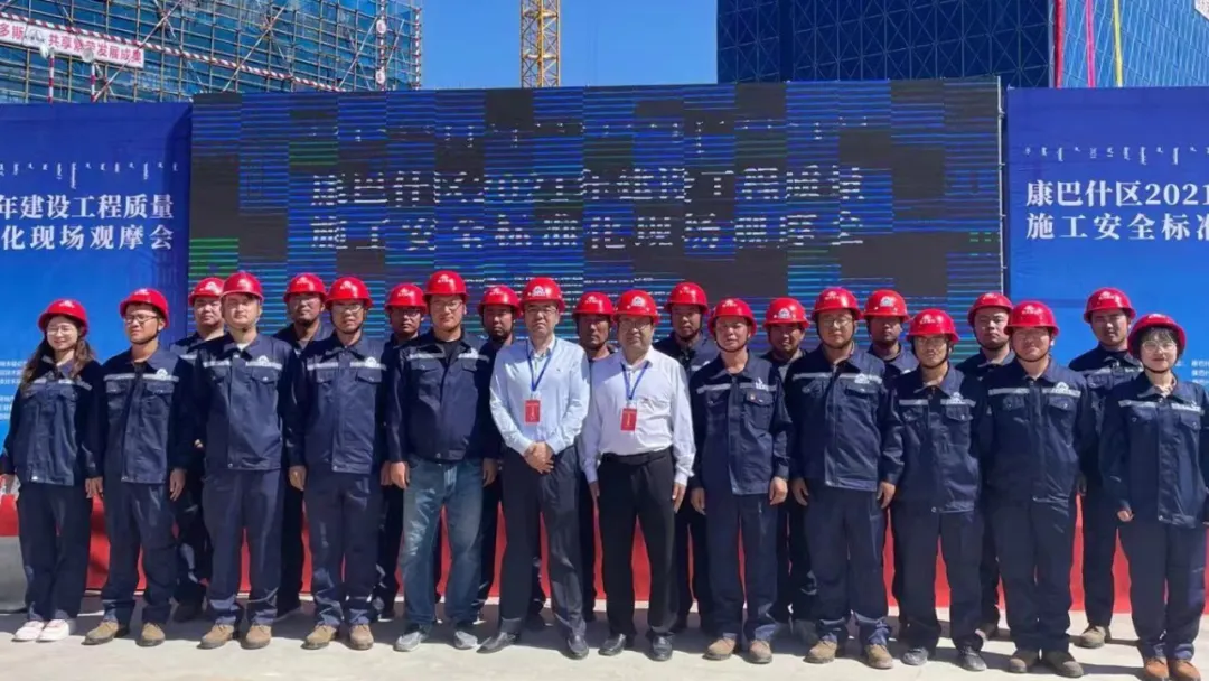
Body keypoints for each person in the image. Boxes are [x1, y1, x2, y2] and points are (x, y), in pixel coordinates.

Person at [786, 286, 901, 670]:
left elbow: (892, 427)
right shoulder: (801, 371)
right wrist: (796, 472)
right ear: (817, 325)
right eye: (827, 319)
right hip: (818, 486)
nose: (835, 326)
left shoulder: (876, 370)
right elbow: (789, 428)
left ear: (855, 323)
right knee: (826, 562)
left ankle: (874, 635)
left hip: (865, 485)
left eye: (842, 319)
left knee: (868, 563)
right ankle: (831, 632)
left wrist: (889, 474)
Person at [979, 301, 1095, 678]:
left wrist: (1076, 476)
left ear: (1052, 338)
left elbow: (1087, 439)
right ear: (1011, 338)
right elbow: (982, 442)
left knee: (1055, 574)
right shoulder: (993, 384)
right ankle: (1026, 644)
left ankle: (1058, 646)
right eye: (1021, 333)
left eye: (1037, 333)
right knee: (1016, 573)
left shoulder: (1075, 384)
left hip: (1057, 497)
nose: (1029, 340)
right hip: (1008, 498)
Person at [386, 269, 496, 653]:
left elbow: (490, 410)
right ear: (428, 309)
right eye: (437, 303)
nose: (445, 310)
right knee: (416, 547)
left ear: (464, 308)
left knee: (467, 546)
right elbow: (396, 412)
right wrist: (396, 458)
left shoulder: (482, 353)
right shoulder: (409, 354)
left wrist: (490, 455)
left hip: (469, 467)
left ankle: (462, 618)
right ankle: (418, 619)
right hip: (422, 467)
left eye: (452, 303)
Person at [480, 277, 591, 659]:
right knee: (519, 546)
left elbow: (579, 407)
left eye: (546, 309)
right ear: (522, 315)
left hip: (559, 460)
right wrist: (526, 447)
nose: (538, 316)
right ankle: (510, 623)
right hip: (519, 460)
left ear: (559, 314)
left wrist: (550, 447)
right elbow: (498, 406)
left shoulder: (574, 356)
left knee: (564, 548)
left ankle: (572, 626)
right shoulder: (507, 356)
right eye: (531, 309)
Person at [582, 289, 694, 662]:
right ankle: (620, 628)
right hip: (613, 470)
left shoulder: (669, 368)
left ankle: (661, 630)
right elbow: (591, 425)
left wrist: (682, 472)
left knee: (664, 554)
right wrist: (590, 472)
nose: (634, 329)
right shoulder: (601, 371)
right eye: (627, 321)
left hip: (657, 467)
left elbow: (682, 422)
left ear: (652, 326)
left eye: (641, 322)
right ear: (617, 326)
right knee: (615, 555)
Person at [192, 271, 298, 650]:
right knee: (223, 544)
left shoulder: (281, 354)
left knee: (265, 544)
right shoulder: (207, 356)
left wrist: (294, 460)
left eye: (246, 302)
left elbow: (292, 412)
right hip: (221, 469)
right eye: (232, 302)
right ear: (222, 309)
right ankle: (223, 615)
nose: (239, 308)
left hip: (266, 467)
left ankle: (262, 616)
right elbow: (195, 409)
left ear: (259, 309)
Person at [1100, 313, 1208, 682]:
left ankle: (1181, 653)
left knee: (1189, 585)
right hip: (1141, 511)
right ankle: (1153, 651)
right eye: (1150, 344)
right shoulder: (1122, 397)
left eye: (1166, 344)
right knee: (1147, 584)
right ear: (1138, 352)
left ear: (1178, 351)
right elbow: (1111, 455)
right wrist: (1120, 499)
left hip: (1190, 509)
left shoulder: (1197, 396)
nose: (1159, 351)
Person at [84, 289, 191, 648]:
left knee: (158, 548)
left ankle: (156, 616)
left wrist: (180, 465)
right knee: (121, 548)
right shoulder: (111, 370)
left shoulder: (178, 369)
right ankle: (115, 615)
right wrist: (94, 469)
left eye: (143, 317)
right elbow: (96, 425)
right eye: (130, 317)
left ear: (161, 323)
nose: (134, 323)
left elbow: (185, 425)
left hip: (157, 476)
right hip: (117, 475)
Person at [288, 277, 388, 651]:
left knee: (362, 545)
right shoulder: (311, 356)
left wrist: (391, 458)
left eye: (355, 305)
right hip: (321, 469)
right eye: (341, 306)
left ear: (365, 311)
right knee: (325, 546)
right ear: (330, 311)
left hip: (365, 470)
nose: (348, 312)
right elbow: (295, 414)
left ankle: (359, 616)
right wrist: (296, 460)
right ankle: (327, 617)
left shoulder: (381, 355)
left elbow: (392, 415)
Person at [688, 298, 789, 664]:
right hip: (717, 486)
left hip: (759, 484)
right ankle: (727, 630)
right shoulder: (703, 379)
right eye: (722, 326)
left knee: (762, 561)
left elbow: (782, 427)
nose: (729, 332)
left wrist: (781, 472)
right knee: (722, 560)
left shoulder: (768, 374)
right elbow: (693, 435)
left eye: (736, 325)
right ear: (713, 333)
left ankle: (761, 633)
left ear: (750, 331)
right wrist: (697, 481)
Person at [890, 309, 987, 671]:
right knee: (916, 575)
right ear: (913, 345)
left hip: (963, 501)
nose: (930, 346)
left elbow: (987, 444)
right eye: (923, 340)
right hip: (914, 500)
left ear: (950, 345)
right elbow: (892, 441)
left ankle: (967, 641)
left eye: (937, 340)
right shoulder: (899, 389)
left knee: (966, 576)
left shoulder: (971, 388)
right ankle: (921, 638)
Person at [0, 299, 102, 644]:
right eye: (52, 327)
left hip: (70, 476)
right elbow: (16, 424)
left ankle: (63, 613)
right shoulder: (33, 373)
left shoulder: (91, 374)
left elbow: (95, 427)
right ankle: (36, 613)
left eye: (65, 327)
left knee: (71, 547)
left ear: (80, 332)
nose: (58, 333)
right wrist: (8, 465)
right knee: (36, 548)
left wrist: (93, 469)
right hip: (32, 476)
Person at [1069, 287, 1141, 650]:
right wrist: (1078, 468)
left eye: (1115, 317)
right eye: (1100, 319)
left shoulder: (1147, 363)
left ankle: (1150, 627)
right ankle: (1098, 622)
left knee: (1145, 555)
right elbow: (1072, 426)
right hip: (1097, 477)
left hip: (1141, 478)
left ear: (1129, 320)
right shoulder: (1078, 369)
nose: (1109, 325)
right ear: (1090, 324)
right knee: (1098, 554)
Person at [654, 280, 717, 636]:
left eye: (691, 312)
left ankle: (710, 612)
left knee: (709, 545)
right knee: (672, 545)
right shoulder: (658, 355)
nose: (685, 319)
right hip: (668, 465)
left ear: (702, 316)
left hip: (707, 465)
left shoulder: (717, 353)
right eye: (678, 313)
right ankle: (676, 611)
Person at [955, 291, 1014, 641]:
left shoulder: (1026, 367)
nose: (990, 327)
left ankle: (1026, 619)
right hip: (974, 476)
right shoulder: (962, 374)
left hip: (1018, 476)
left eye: (997, 320)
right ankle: (985, 614)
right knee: (980, 551)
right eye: (982, 321)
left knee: (1020, 552)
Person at [273, 272, 333, 620]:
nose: (303, 303)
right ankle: (287, 596)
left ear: (323, 305)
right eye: (296, 297)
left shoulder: (336, 342)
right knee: (285, 527)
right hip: (282, 451)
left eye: (310, 297)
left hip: (329, 451)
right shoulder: (274, 346)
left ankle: (349, 599)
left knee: (333, 532)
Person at [168, 277, 226, 623]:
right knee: (188, 526)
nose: (207, 308)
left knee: (223, 528)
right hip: (186, 455)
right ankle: (189, 595)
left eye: (213, 302)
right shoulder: (176, 352)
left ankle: (222, 595)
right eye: (200, 303)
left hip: (227, 456)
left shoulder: (238, 348)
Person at [762, 297, 815, 639]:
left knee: (807, 547)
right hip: (767, 474)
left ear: (802, 331)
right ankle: (776, 614)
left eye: (792, 328)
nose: (785, 335)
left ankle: (807, 615)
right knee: (771, 549)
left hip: (807, 474)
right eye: (778, 328)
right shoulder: (758, 369)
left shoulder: (814, 367)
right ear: (768, 332)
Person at [373, 283, 426, 622]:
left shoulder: (431, 351)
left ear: (422, 315)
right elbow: (378, 411)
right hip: (387, 460)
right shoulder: (378, 354)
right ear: (388, 314)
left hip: (423, 458)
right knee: (386, 529)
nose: (406, 316)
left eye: (413, 311)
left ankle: (426, 595)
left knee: (425, 533)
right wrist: (389, 456)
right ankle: (382, 595)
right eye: (399, 310)